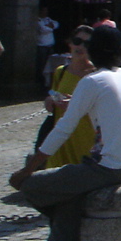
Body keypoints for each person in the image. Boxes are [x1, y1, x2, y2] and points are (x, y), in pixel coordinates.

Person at [1, 26, 121, 241]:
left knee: (31, 188)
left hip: (106, 168)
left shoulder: (92, 82)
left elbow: (61, 130)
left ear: (93, 52)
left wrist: (26, 171)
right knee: (69, 207)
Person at [42, 26, 98, 169]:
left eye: (87, 43)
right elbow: (54, 93)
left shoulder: (97, 76)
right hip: (61, 138)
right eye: (77, 41)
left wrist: (77, 104)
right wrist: (50, 100)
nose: (80, 46)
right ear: (70, 43)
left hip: (86, 137)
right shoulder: (61, 72)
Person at [35, 11, 57, 86]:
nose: (45, 13)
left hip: (50, 45)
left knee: (50, 65)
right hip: (42, 45)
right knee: (42, 64)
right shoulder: (38, 20)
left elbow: (56, 24)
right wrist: (51, 27)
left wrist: (50, 26)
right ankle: (41, 80)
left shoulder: (48, 19)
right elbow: (43, 29)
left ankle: (48, 82)